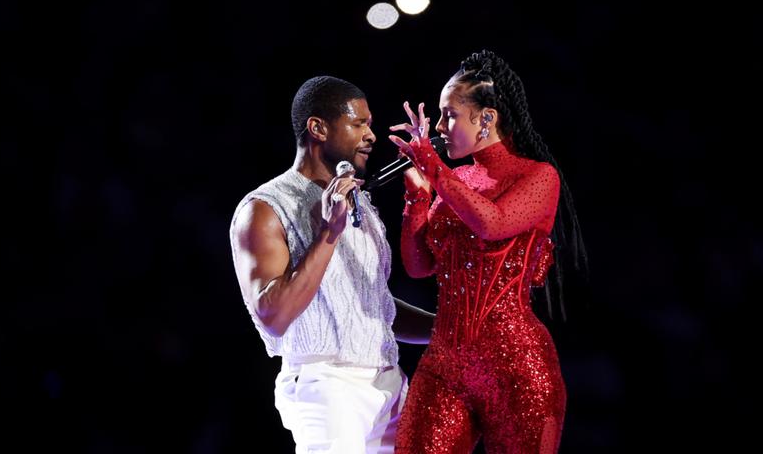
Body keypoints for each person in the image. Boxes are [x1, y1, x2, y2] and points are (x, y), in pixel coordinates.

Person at [387, 50, 587, 453]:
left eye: (449, 115)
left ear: (486, 118)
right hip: (444, 364)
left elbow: (492, 224)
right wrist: (416, 197)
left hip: (516, 367)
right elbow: (419, 265)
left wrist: (432, 166)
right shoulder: (456, 179)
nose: (440, 128)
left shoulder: (538, 177)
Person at [229, 75, 433, 454]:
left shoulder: (361, 203)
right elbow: (274, 315)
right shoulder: (263, 208)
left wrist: (449, 329)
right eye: (359, 124)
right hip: (327, 388)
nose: (371, 135)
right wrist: (328, 233)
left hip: (389, 383)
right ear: (318, 128)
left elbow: (376, 306)